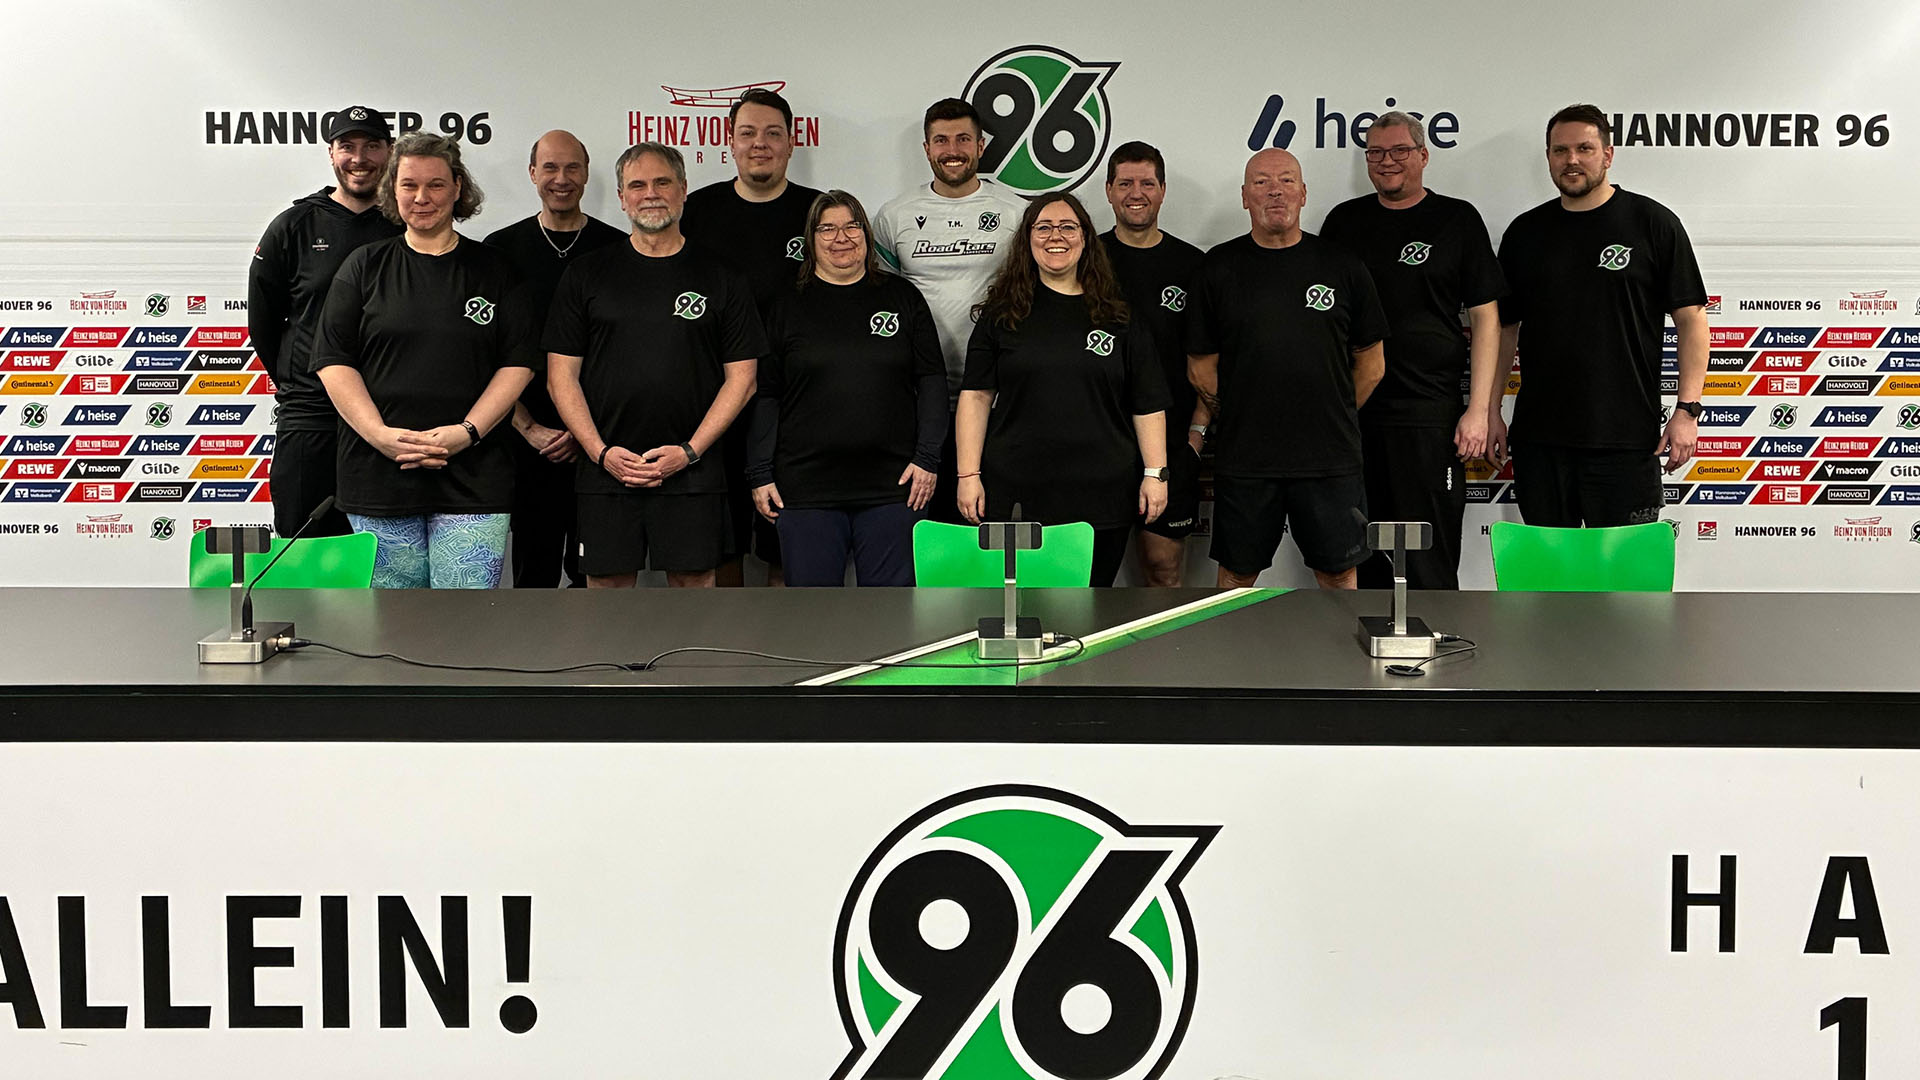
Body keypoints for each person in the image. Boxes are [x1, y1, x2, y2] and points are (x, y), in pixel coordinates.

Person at [313, 133, 536, 589]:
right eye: (409, 185)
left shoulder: (497, 270)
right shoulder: (363, 266)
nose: (422, 197)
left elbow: (518, 363)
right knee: (393, 628)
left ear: (458, 187)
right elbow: (334, 360)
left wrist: (467, 432)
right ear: (392, 190)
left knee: (465, 620)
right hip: (379, 473)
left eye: (436, 185)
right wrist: (380, 435)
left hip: (474, 477)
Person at [545, 142, 762, 588]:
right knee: (606, 596)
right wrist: (601, 452)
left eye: (662, 182)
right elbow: (559, 376)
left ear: (683, 190)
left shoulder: (721, 276)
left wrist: (688, 451)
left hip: (693, 472)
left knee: (694, 595)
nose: (651, 193)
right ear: (622, 198)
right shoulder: (586, 274)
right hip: (605, 469)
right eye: (637, 185)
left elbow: (742, 380)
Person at [1493, 104, 1709, 527]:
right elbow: (1503, 330)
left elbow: (1692, 319)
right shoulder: (1524, 233)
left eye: (1584, 149)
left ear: (1608, 155)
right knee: (1550, 579)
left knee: (1625, 584)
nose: (1571, 159)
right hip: (1541, 440)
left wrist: (1688, 410)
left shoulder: (1653, 223)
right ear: (1549, 158)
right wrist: (1489, 409)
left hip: (1627, 440)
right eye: (1560, 150)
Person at [1187, 149, 1388, 590]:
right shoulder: (1217, 269)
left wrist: (1330, 411)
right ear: (1244, 197)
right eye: (1261, 182)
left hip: (1329, 458)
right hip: (1247, 458)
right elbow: (1201, 366)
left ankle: (1340, 662)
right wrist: (1239, 411)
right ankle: (1235, 660)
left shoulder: (1343, 266)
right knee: (1236, 575)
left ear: (1303, 193)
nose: (1274, 190)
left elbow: (1372, 365)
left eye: (1285, 180)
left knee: (1338, 574)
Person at [1320, 111, 1506, 589]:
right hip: (1355, 415)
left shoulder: (1456, 220)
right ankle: (1363, 656)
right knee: (1361, 553)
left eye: (1400, 151)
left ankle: (1437, 651)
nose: (1388, 162)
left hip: (1430, 417)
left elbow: (1486, 318)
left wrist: (1480, 410)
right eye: (1376, 153)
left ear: (1423, 156)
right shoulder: (1344, 223)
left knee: (1429, 556)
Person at [958, 194, 1170, 588]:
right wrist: (968, 474)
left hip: (1102, 491)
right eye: (1044, 227)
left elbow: (1147, 402)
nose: (1056, 236)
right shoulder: (1001, 315)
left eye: (1068, 227)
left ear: (1086, 238)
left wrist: (1156, 474)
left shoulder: (1119, 317)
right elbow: (976, 396)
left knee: (1092, 608)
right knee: (1025, 609)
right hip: (1017, 489)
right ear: (1027, 239)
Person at [746, 191, 945, 586]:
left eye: (852, 226)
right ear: (811, 238)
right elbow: (766, 393)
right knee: (813, 620)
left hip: (893, 488)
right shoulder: (785, 306)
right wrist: (759, 472)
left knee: (890, 615)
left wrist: (927, 459)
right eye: (828, 228)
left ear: (867, 235)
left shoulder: (902, 297)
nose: (842, 237)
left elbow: (932, 380)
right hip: (805, 488)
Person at [682, 88, 824, 586]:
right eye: (747, 133)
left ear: (791, 142)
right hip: (712, 397)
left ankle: (781, 656)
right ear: (730, 141)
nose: (759, 144)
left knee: (785, 537)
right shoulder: (698, 210)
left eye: (772, 133)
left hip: (794, 402)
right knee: (721, 540)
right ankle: (729, 650)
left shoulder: (818, 213)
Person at [872, 98, 1030, 522]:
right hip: (919, 402)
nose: (952, 149)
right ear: (926, 148)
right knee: (930, 538)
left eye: (963, 138)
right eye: (941, 140)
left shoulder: (1016, 213)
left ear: (981, 145)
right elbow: (881, 300)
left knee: (986, 533)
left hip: (994, 401)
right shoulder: (893, 216)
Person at [482, 130, 627, 589]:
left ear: (586, 175)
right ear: (532, 174)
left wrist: (588, 434)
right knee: (532, 576)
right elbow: (486, 351)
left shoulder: (618, 249)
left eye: (572, 168)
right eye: (550, 167)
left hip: (598, 442)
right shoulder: (499, 250)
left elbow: (627, 353)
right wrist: (528, 427)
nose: (561, 179)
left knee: (598, 575)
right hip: (526, 441)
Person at [249, 105, 399, 539]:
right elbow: (264, 319)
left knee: (385, 559)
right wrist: (300, 379)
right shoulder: (293, 225)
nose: (359, 158)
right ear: (330, 154)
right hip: (311, 416)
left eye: (372, 146)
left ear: (389, 152)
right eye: (347, 146)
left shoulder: (405, 226)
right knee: (303, 548)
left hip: (388, 418)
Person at [1099, 141, 1206, 586]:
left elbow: (1209, 357)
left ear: (1163, 191)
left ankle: (1167, 657)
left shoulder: (1194, 266)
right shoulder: (1086, 261)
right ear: (1108, 191)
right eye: (1125, 183)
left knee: (1162, 566)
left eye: (1147, 183)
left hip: (1171, 442)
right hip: (1099, 440)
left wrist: (1197, 435)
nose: (1135, 193)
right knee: (1088, 572)